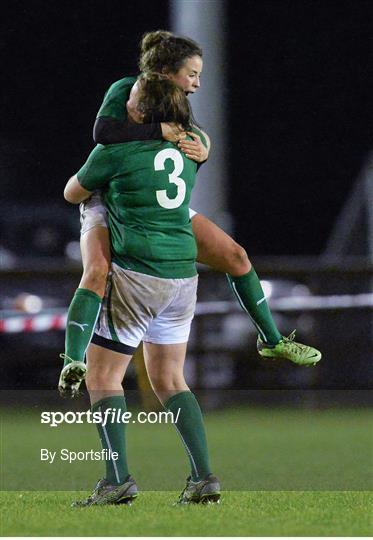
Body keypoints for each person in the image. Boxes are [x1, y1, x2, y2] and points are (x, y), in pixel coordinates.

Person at [58, 30, 321, 397]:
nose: (197, 83)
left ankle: (271, 339)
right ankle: (73, 357)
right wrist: (158, 131)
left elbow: (195, 136)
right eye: (192, 74)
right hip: (109, 195)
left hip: (155, 198)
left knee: (235, 255)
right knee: (97, 271)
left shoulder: (175, 100)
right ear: (166, 72)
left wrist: (204, 149)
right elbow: (104, 132)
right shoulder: (125, 89)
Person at [63, 74, 220, 506]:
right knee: (171, 379)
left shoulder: (114, 150)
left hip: (138, 276)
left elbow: (72, 192)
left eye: (131, 99)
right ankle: (203, 476)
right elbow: (196, 144)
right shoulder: (188, 149)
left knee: (102, 376)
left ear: (142, 113)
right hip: (183, 277)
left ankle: (116, 481)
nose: (123, 102)